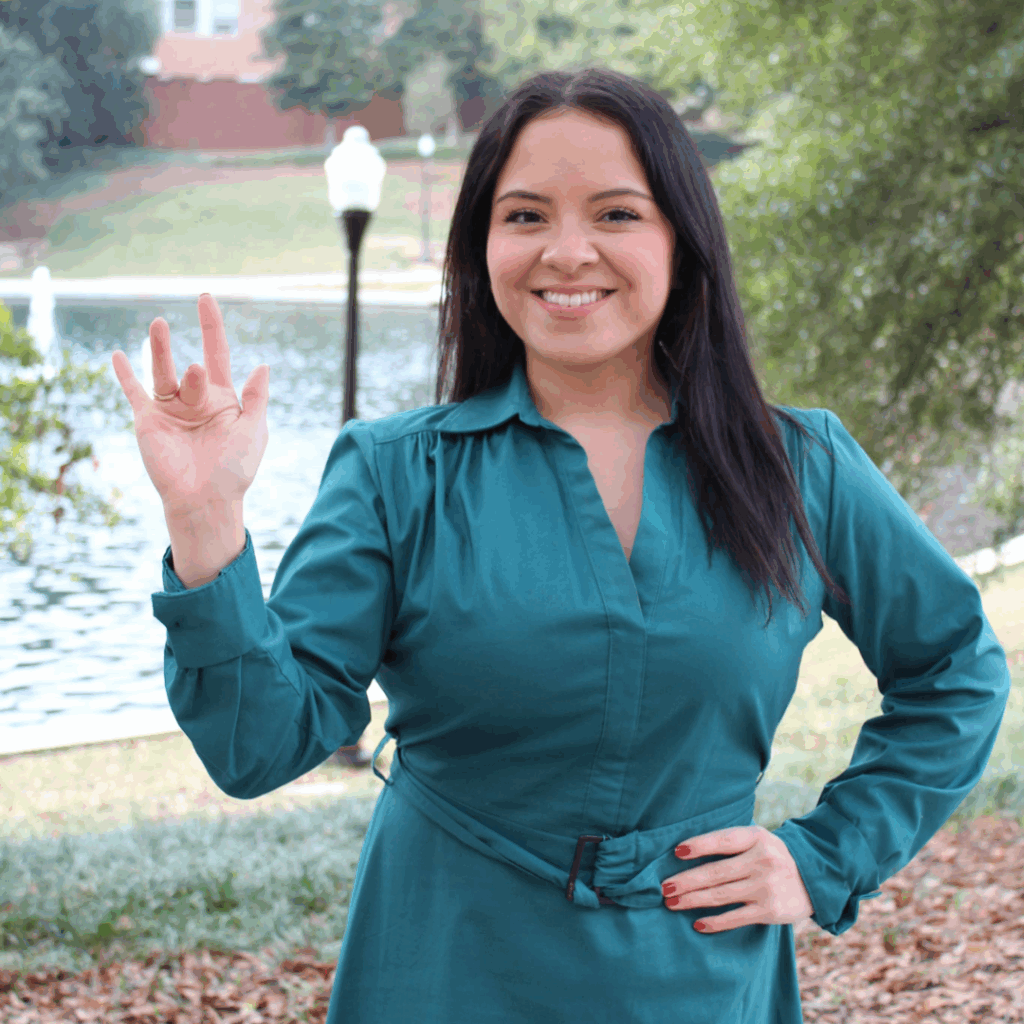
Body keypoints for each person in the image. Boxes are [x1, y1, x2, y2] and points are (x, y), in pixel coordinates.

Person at [111, 66, 1010, 1024]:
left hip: (699, 983)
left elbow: (955, 667)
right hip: (444, 968)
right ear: (481, 245)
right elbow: (256, 747)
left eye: (617, 214)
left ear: (682, 240)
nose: (567, 252)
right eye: (526, 216)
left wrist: (826, 855)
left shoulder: (800, 466)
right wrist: (205, 523)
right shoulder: (394, 473)